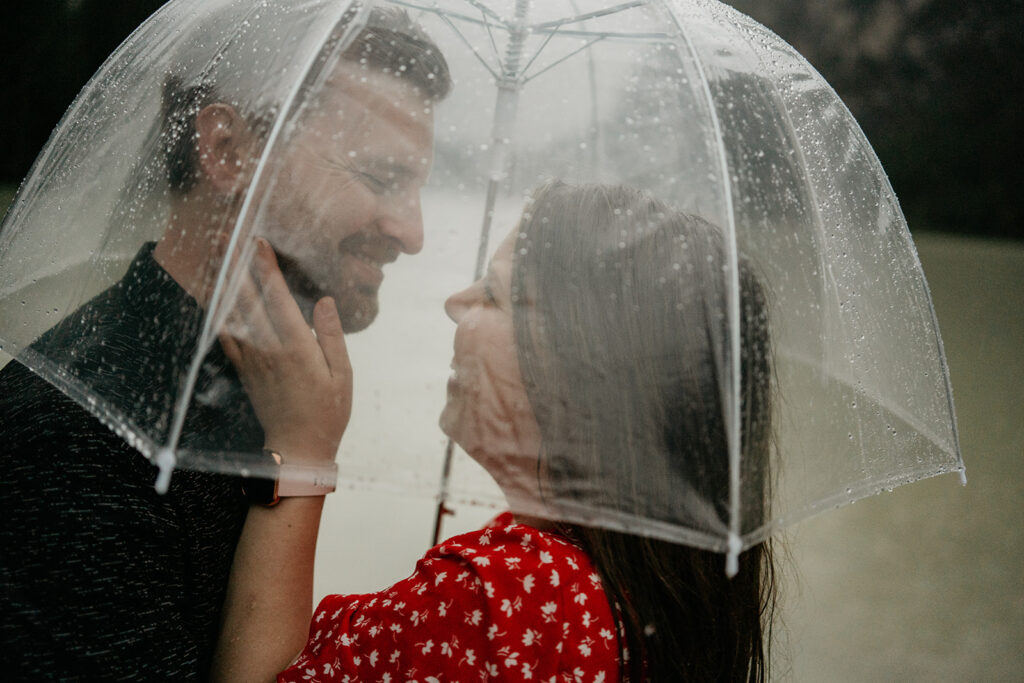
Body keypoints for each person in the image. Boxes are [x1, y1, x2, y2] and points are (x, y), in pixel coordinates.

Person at [0, 6, 450, 679]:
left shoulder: (272, 385)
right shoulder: (76, 438)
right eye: (382, 179)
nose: (413, 232)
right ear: (227, 152)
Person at [213, 181, 778, 682]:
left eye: (494, 294)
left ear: (581, 364)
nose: (455, 304)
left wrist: (303, 449)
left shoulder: (505, 598)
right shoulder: (639, 586)